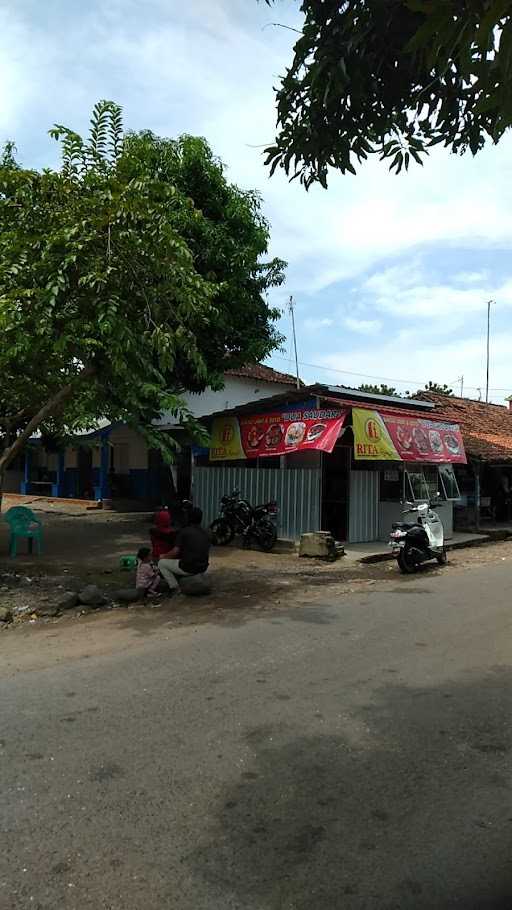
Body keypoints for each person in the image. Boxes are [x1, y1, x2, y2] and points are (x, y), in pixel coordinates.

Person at [158, 507, 210, 591]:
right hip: (203, 567)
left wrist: (163, 556)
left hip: (189, 567)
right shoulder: (206, 532)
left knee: (161, 563)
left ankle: (174, 587)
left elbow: (175, 552)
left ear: (188, 517)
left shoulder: (184, 531)